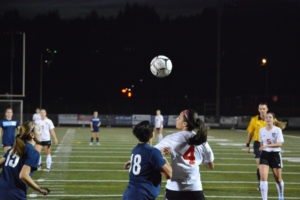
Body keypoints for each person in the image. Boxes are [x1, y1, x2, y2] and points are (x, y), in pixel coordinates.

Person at [155, 109, 214, 200]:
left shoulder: (172, 138)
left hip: (174, 190)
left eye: (179, 117)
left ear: (185, 124)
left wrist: (162, 156)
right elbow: (210, 165)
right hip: (195, 190)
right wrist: (197, 160)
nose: (176, 119)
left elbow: (149, 153)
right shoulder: (202, 140)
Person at [123, 121, 172, 200]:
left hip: (130, 195)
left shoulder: (135, 150)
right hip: (142, 196)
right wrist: (162, 158)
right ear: (152, 135)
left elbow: (146, 158)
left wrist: (158, 155)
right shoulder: (153, 152)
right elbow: (169, 174)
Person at [0, 121, 50, 199]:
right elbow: (23, 175)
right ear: (32, 135)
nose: (41, 133)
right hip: (15, 193)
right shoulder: (33, 152)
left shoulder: (14, 148)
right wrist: (39, 189)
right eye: (39, 131)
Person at [246, 103, 286, 190]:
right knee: (259, 165)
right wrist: (247, 145)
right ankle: (261, 184)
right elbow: (250, 133)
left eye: (264, 109)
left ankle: (268, 184)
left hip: (271, 147)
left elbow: (277, 128)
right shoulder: (254, 120)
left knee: (276, 175)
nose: (262, 110)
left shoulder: (271, 118)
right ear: (258, 110)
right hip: (258, 144)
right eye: (260, 109)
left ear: (267, 109)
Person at [259, 112, 284, 200]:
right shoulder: (261, 130)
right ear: (264, 119)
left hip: (275, 155)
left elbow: (280, 144)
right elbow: (261, 142)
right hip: (265, 154)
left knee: (278, 179)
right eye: (266, 117)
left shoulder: (277, 130)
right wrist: (262, 147)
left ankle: (281, 196)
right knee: (263, 178)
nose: (268, 119)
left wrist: (268, 145)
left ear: (273, 119)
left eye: (270, 117)